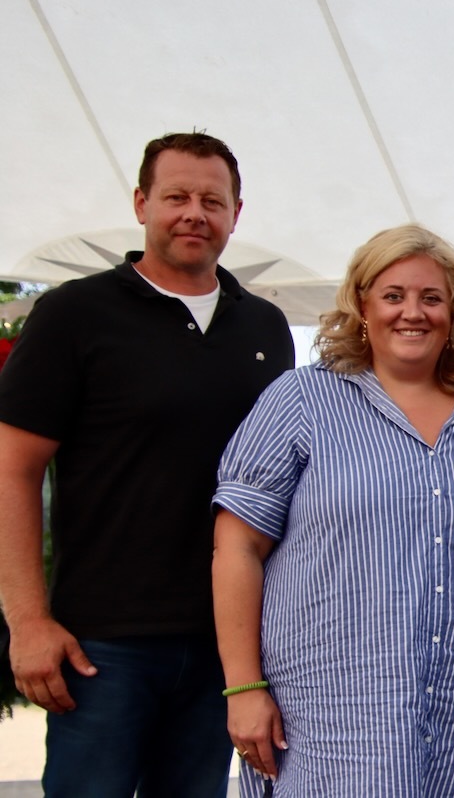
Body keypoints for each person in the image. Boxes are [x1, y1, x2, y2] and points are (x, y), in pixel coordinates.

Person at [211, 225, 454, 796]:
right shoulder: (300, 398)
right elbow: (237, 547)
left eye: (431, 297)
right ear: (362, 304)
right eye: (393, 295)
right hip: (337, 719)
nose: (412, 313)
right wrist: (244, 687)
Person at [0, 132, 294, 796]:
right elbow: (12, 469)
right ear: (141, 203)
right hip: (103, 646)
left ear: (236, 214)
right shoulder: (74, 314)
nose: (195, 213)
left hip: (229, 644)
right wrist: (27, 619)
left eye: (212, 200)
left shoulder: (266, 329)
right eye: (177, 196)